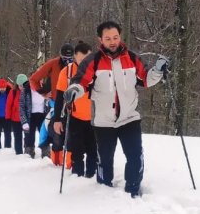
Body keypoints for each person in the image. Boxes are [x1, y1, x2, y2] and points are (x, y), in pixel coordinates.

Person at [65, 21, 168, 197]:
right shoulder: (93, 61)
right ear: (100, 39)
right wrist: (74, 90)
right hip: (103, 121)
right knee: (104, 161)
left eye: (115, 37)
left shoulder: (132, 58)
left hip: (129, 118)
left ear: (120, 37)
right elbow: (80, 81)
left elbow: (145, 79)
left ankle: (133, 190)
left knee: (135, 157)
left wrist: (158, 70)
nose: (112, 41)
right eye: (108, 38)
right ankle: (105, 193)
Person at [53, 41, 97, 178]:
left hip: (94, 117)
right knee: (77, 151)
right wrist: (57, 120)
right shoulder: (66, 72)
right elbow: (60, 97)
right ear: (75, 56)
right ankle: (77, 177)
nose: (85, 61)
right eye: (82, 58)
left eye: (89, 58)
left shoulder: (96, 71)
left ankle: (91, 177)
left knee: (93, 150)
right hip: (74, 116)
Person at [28, 42, 75, 159]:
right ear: (60, 56)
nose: (68, 62)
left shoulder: (78, 64)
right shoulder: (53, 64)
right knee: (50, 126)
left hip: (73, 103)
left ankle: (72, 157)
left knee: (73, 132)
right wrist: (42, 93)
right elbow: (34, 79)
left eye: (70, 59)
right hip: (55, 102)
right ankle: (46, 148)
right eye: (65, 59)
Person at [18, 73, 48, 159]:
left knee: (44, 134)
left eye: (41, 80)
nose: (39, 82)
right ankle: (29, 152)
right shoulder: (26, 90)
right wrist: (24, 121)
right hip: (30, 116)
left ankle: (46, 152)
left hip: (43, 115)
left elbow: (50, 102)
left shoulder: (45, 88)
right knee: (29, 136)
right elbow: (21, 107)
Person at [5, 76, 24, 155]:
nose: (21, 87)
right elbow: (8, 106)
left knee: (28, 137)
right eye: (20, 85)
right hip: (15, 119)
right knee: (18, 136)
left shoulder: (29, 91)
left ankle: (28, 153)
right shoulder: (13, 92)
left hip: (26, 119)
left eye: (23, 85)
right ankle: (19, 153)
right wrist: (8, 118)